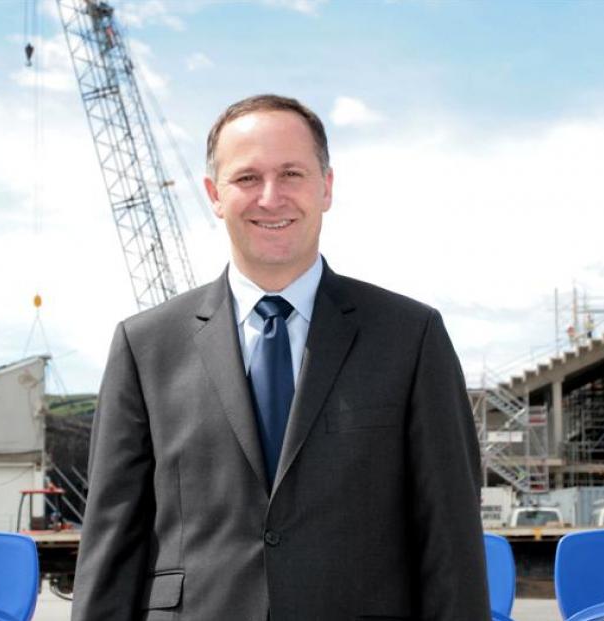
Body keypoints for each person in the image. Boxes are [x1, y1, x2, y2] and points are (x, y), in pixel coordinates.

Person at [71, 94, 489, 621]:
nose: (271, 198)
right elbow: (112, 542)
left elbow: (450, 537)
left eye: (291, 173)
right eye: (247, 178)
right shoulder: (145, 346)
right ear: (214, 195)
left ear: (326, 188)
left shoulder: (411, 337)